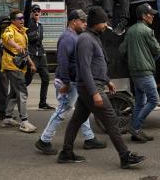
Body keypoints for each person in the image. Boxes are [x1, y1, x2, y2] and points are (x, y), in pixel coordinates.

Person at [57, 6, 146, 169]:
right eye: (103, 22)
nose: (106, 25)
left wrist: (107, 80)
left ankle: (66, 153)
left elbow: (97, 64)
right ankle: (125, 156)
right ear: (96, 23)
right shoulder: (85, 39)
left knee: (77, 120)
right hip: (91, 87)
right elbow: (84, 68)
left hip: (93, 85)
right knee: (111, 120)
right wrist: (94, 92)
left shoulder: (93, 37)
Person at [35, 9, 106, 155]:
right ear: (74, 21)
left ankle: (89, 138)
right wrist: (66, 83)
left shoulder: (75, 36)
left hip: (72, 81)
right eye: (83, 21)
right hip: (67, 81)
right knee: (62, 110)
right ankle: (44, 140)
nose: (85, 24)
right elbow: (63, 62)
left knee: (82, 109)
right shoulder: (68, 37)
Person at [119, 3, 160, 142]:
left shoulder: (130, 30)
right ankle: (135, 127)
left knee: (139, 102)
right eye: (151, 14)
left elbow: (122, 50)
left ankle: (135, 131)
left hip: (134, 72)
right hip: (145, 72)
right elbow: (157, 50)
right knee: (154, 99)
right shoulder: (147, 31)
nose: (153, 16)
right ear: (144, 16)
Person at [1, 10, 37, 133]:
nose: (22, 20)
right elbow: (7, 38)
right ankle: (24, 122)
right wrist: (16, 45)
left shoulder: (22, 31)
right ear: (13, 21)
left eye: (22, 18)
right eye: (19, 18)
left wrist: (31, 63)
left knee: (14, 93)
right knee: (22, 92)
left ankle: (7, 117)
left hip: (20, 66)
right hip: (12, 66)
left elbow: (24, 51)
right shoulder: (9, 30)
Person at [24, 0, 54, 110]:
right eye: (34, 11)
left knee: (46, 78)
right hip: (32, 55)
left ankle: (42, 103)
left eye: (38, 11)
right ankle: (13, 98)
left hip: (41, 55)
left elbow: (39, 41)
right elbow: (26, 13)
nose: (36, 13)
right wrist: (29, 0)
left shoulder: (40, 26)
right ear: (31, 13)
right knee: (27, 80)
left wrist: (43, 52)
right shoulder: (27, 23)